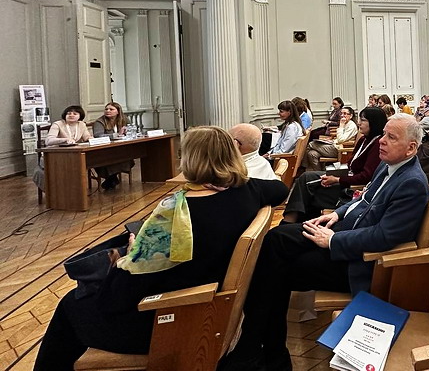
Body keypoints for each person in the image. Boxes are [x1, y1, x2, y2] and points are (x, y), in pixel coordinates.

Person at [33, 126, 289, 371]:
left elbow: (119, 295)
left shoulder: (175, 213)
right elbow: (279, 189)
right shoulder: (249, 189)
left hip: (169, 319)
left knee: (70, 305)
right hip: (209, 305)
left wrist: (132, 252)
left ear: (190, 159)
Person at [227, 114, 429, 370]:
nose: (381, 141)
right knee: (275, 242)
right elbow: (362, 198)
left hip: (357, 261)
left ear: (411, 148)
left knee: (275, 268)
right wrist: (337, 214)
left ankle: (258, 348)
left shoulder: (412, 183)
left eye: (391, 137)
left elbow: (385, 236)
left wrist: (333, 240)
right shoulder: (389, 164)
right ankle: (263, 350)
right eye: (383, 134)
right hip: (344, 232)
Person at [282, 107, 387, 223]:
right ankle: (299, 222)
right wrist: (335, 174)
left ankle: (291, 221)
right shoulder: (364, 140)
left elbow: (366, 176)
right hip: (346, 177)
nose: (359, 123)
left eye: (363, 120)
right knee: (307, 177)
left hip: (351, 188)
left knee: (308, 184)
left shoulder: (377, 144)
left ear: (374, 122)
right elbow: (351, 164)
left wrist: (337, 179)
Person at [92, 102, 134, 190]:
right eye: (106, 109)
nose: (108, 111)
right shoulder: (100, 121)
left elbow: (131, 129)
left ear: (118, 111)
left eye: (111, 109)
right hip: (104, 149)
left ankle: (111, 179)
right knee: (109, 158)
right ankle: (112, 178)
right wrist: (116, 135)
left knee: (125, 155)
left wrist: (127, 132)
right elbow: (98, 135)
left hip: (120, 147)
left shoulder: (124, 119)